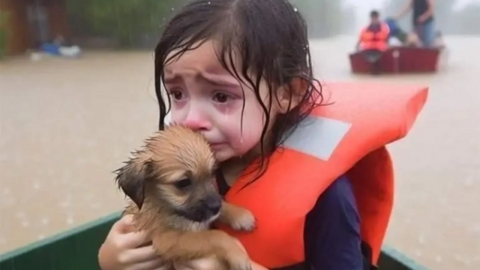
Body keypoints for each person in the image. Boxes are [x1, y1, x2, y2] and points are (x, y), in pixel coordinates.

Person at [97, 1, 428, 270]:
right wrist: (111, 258)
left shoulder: (329, 200)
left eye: (221, 96)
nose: (191, 119)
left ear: (288, 93)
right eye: (178, 94)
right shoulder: (181, 165)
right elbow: (146, 227)